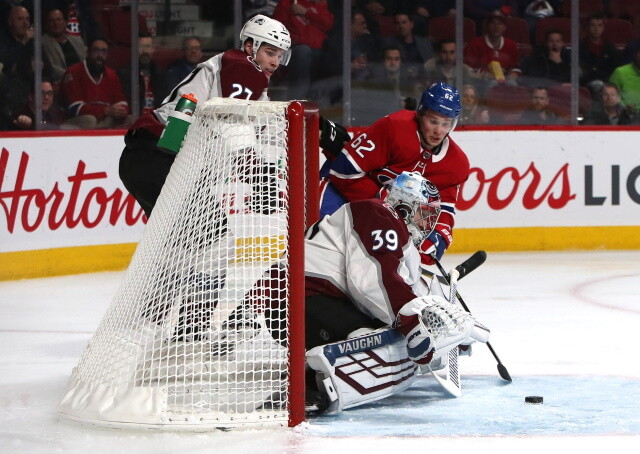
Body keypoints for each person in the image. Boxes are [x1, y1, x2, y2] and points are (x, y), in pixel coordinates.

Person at [250, 171, 489, 414]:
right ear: (405, 206)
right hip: (292, 302)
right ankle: (310, 384)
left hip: (315, 301)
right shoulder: (379, 214)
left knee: (393, 335)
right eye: (423, 213)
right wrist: (412, 325)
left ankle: (315, 365)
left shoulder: (399, 239)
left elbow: (409, 291)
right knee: (374, 339)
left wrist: (449, 331)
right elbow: (373, 282)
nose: (427, 223)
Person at [119, 14, 348, 218]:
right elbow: (231, 121)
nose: (275, 62)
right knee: (212, 240)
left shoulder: (244, 80)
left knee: (181, 244)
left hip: (147, 158)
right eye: (270, 52)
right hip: (156, 157)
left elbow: (265, 129)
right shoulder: (243, 66)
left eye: (280, 55)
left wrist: (314, 129)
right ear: (250, 46)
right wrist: (257, 174)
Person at [319, 81, 469, 267]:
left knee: (374, 269)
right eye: (433, 121)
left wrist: (438, 237)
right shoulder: (393, 128)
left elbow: (444, 208)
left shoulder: (456, 164)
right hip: (339, 192)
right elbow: (343, 171)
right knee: (321, 252)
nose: (439, 131)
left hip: (383, 218)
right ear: (420, 114)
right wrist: (383, 202)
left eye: (446, 123)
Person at [61, 37, 131, 129]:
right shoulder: (73, 72)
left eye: (104, 51)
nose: (100, 55)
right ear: (88, 52)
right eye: (96, 50)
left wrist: (121, 110)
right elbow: (74, 108)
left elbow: (121, 100)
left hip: (105, 119)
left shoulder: (111, 74)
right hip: (77, 121)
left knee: (131, 119)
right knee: (90, 120)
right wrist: (105, 111)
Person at [273, 0, 334, 100]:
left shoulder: (319, 5)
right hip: (293, 51)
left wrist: (306, 12)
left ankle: (326, 100)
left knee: (331, 55)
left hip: (318, 52)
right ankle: (298, 100)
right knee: (303, 52)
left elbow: (328, 23)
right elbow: (277, 28)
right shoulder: (287, 3)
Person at [117, 32, 169, 117]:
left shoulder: (160, 74)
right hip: (134, 119)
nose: (145, 51)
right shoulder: (125, 73)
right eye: (141, 46)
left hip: (156, 120)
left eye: (148, 47)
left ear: (153, 49)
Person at [464, 12, 520, 87]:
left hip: (505, 80)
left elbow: (515, 67)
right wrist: (482, 74)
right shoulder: (475, 43)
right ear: (487, 25)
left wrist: (513, 74)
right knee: (492, 83)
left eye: (500, 24)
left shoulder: (511, 45)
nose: (496, 27)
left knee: (512, 83)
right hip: (482, 81)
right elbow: (468, 68)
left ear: (504, 27)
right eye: (493, 23)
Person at [381, 12, 434, 80]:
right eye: (398, 23)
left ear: (411, 24)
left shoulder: (424, 43)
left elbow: (431, 64)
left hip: (423, 79)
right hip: (400, 80)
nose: (401, 26)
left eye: (404, 22)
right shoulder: (388, 43)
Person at [579, 13, 620, 97]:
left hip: (607, 85)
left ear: (603, 28)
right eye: (592, 25)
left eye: (599, 25)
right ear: (587, 27)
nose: (596, 29)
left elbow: (615, 68)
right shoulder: (580, 47)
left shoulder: (610, 47)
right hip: (586, 85)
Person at [41, 8, 86, 83]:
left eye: (59, 19)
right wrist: (72, 76)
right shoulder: (42, 42)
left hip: (83, 79)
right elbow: (50, 67)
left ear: (65, 22)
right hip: (61, 81)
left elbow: (86, 60)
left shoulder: (77, 40)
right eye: (51, 20)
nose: (56, 23)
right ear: (46, 25)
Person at [0, 5, 33, 76]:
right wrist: (24, 41)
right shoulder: (3, 40)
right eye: (20, 19)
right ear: (10, 22)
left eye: (27, 19)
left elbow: (48, 67)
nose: (25, 23)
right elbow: (7, 64)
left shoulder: (32, 41)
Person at [609, 45, 640, 112]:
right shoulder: (620, 72)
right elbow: (609, 97)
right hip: (627, 115)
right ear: (635, 54)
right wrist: (623, 108)